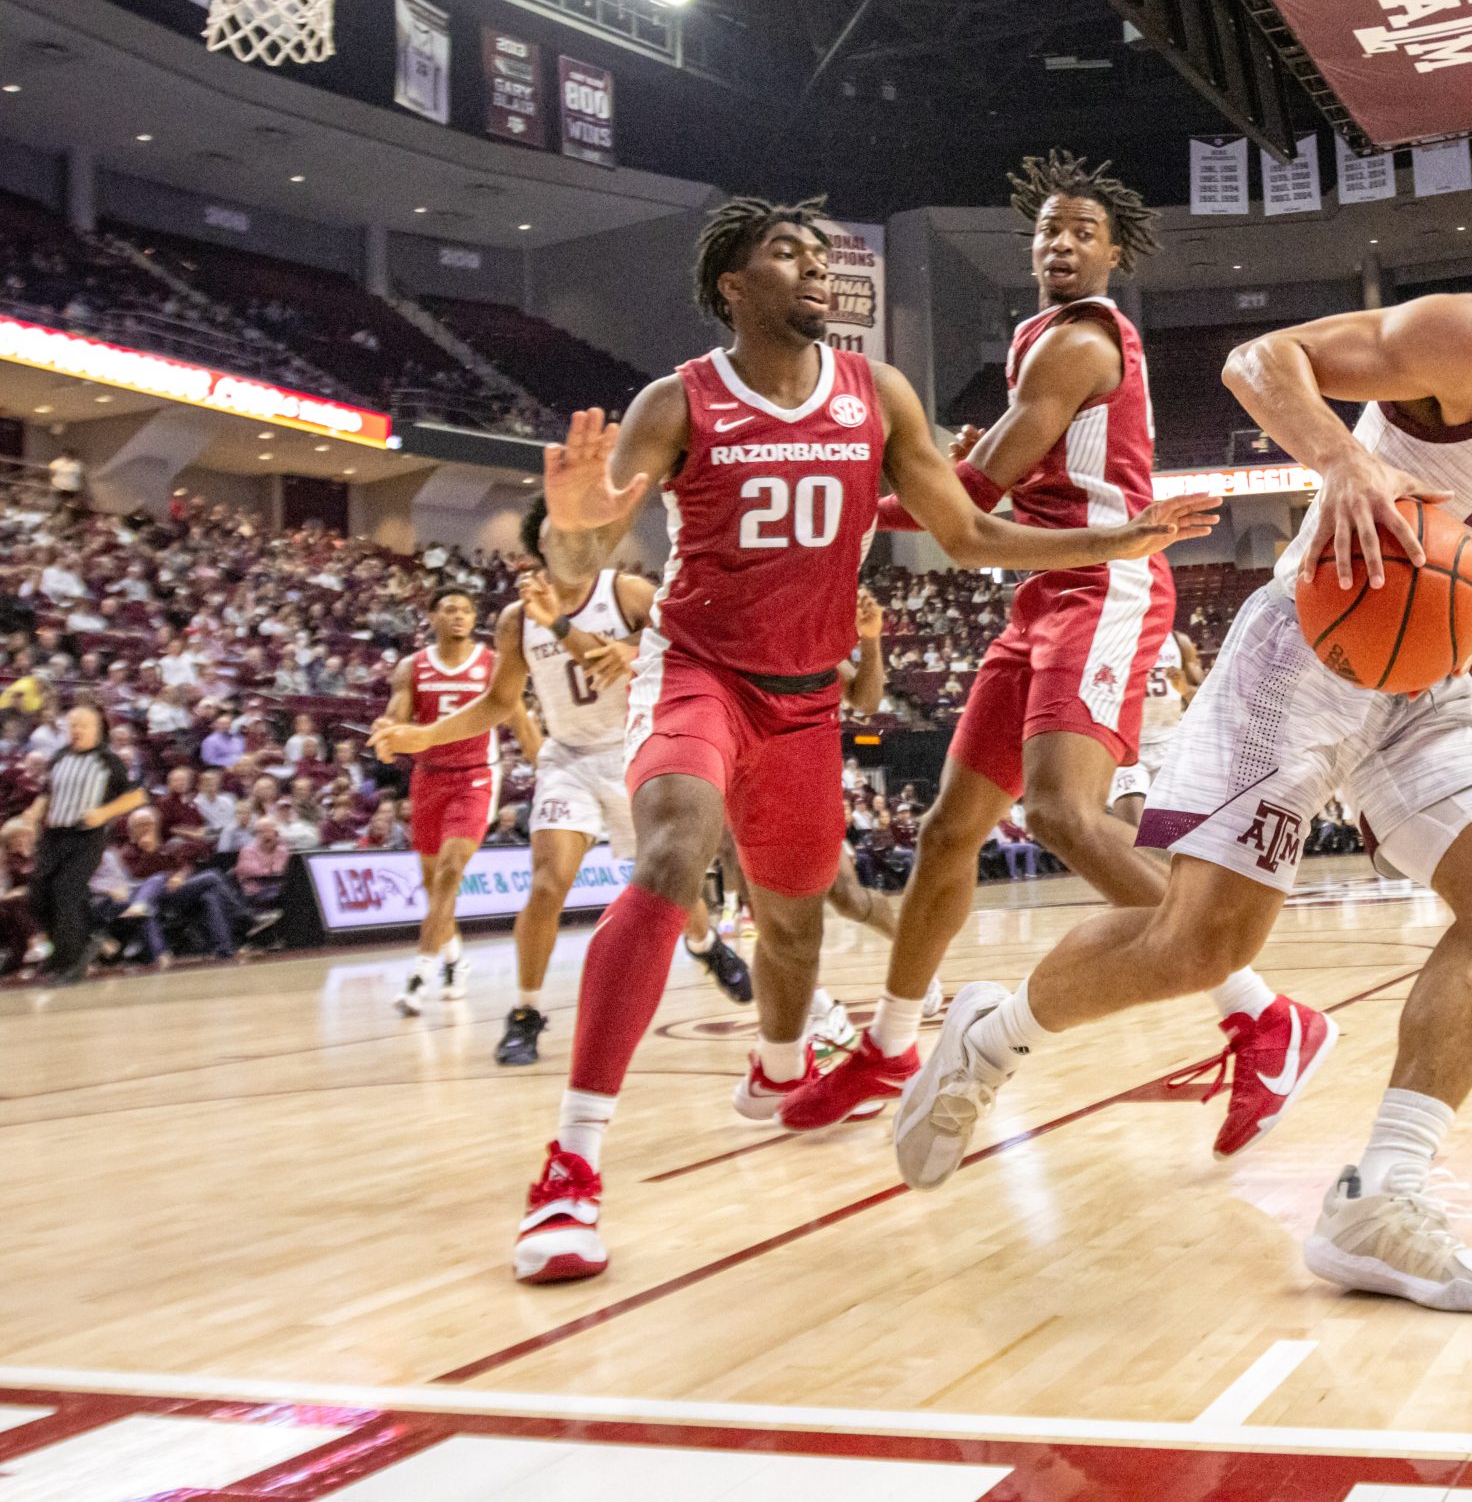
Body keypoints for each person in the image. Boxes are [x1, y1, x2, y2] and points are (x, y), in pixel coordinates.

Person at [890, 104, 1472, 1313]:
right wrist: (1343, 461)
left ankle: (1377, 1200)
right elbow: (1259, 361)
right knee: (1201, 946)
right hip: (1302, 649)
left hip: (1427, 674)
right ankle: (994, 1033)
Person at [510, 194, 1215, 1284]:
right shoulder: (679, 399)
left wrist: (1119, 534)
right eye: (787, 254)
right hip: (701, 673)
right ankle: (570, 1167)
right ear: (734, 288)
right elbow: (583, 554)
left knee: (795, 929)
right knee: (671, 850)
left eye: (822, 254)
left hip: (807, 702)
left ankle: (780, 1066)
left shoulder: (875, 394)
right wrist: (570, 522)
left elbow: (970, 532)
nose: (817, 269)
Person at [789, 153, 1282, 1140]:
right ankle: (889, 1048)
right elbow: (981, 478)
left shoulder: (1079, 345)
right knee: (946, 833)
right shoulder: (1035, 339)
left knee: (1060, 813)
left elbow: (973, 491)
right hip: (1043, 590)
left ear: (1112, 253)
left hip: (1105, 581)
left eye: (1080, 232)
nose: (1058, 244)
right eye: (1046, 230)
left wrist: (840, 499)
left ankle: (1261, 1017)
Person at [371, 503, 751, 1066]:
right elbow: (500, 703)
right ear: (540, 547)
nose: (574, 545)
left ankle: (703, 944)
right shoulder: (515, 618)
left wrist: (631, 652)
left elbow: (695, 662)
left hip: (636, 752)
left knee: (669, 883)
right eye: (559, 538)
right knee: (548, 884)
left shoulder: (628, 594)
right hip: (568, 758)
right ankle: (525, 1011)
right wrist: (424, 737)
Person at [375, 587, 538, 1015]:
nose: (460, 616)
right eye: (450, 609)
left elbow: (518, 717)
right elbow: (397, 714)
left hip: (476, 778)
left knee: (450, 871)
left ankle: (418, 975)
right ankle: (454, 959)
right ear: (431, 617)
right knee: (433, 886)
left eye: (467, 609)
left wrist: (546, 763)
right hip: (428, 779)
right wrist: (388, 733)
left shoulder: (493, 664)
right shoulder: (412, 667)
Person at [7, 702, 145, 983]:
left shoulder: (108, 760)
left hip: (85, 836)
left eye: (82, 725)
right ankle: (79, 944)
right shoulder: (59, 756)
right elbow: (47, 792)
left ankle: (70, 962)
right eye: (72, 726)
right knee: (38, 894)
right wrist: (34, 813)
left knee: (66, 892)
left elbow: (136, 797)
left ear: (95, 728)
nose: (76, 731)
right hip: (53, 834)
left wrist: (104, 813)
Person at [1109, 630, 1203, 826]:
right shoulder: (1111, 638)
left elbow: (1205, 700)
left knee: (1174, 830)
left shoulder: (1178, 641)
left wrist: (1184, 687)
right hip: (1128, 750)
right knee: (1131, 831)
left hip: (1170, 745)